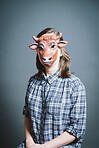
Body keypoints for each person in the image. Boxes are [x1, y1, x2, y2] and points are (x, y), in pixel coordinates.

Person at [17, 28, 86, 148]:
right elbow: (27, 115)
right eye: (41, 47)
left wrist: (44, 147)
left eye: (52, 46)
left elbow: (77, 129)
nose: (46, 52)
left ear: (60, 50)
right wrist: (29, 142)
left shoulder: (75, 85)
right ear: (37, 50)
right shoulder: (33, 82)